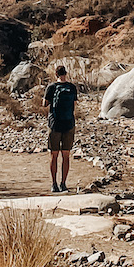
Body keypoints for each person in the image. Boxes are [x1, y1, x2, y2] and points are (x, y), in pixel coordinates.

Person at [44, 62, 78, 194]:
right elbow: (74, 104)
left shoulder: (51, 87)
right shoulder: (72, 87)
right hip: (69, 123)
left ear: (56, 74)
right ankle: (63, 183)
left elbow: (44, 104)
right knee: (66, 155)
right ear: (66, 74)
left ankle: (54, 184)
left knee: (54, 155)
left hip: (54, 124)